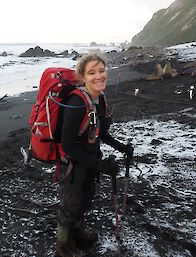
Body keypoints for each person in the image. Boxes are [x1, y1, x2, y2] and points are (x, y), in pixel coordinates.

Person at [56, 52, 134, 257]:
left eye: (101, 70)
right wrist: (100, 166)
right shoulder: (76, 103)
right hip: (73, 164)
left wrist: (121, 147)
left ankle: (78, 230)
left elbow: (101, 133)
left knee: (86, 198)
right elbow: (68, 145)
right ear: (82, 77)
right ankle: (64, 246)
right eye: (91, 72)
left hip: (90, 160)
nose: (98, 76)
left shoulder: (99, 99)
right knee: (70, 205)